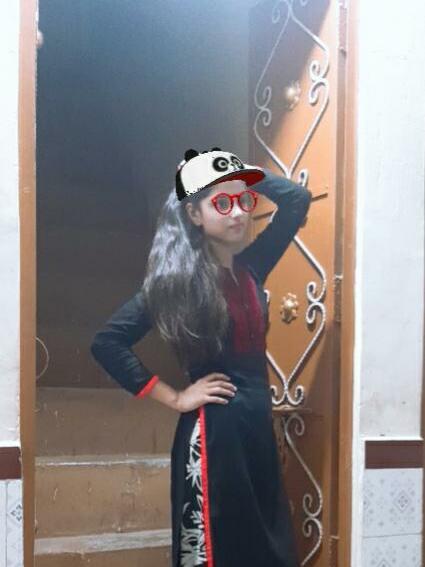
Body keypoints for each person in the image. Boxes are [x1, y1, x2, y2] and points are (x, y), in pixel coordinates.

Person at [90, 147, 312, 567]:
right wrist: (176, 398)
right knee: (219, 551)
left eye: (244, 200)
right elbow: (108, 343)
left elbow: (297, 200)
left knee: (269, 549)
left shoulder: (251, 267)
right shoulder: (175, 283)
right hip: (214, 434)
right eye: (222, 203)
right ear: (194, 214)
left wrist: (237, 171)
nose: (239, 212)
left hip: (257, 429)